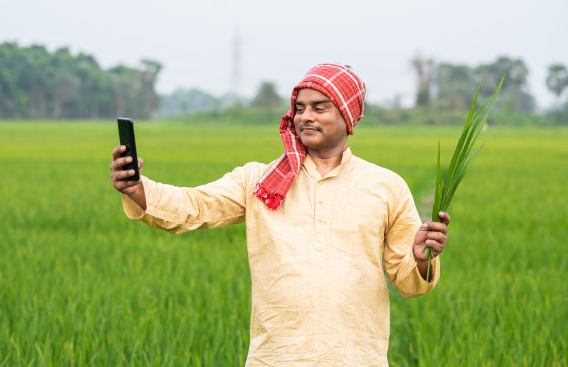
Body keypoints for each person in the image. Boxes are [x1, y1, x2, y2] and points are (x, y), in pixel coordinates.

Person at [110, 63, 449, 366]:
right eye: (299, 108)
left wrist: (421, 259)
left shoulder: (386, 186)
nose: (305, 116)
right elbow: (194, 207)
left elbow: (409, 284)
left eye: (320, 107)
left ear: (347, 115)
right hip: (275, 358)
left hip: (357, 358)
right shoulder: (259, 181)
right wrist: (137, 188)